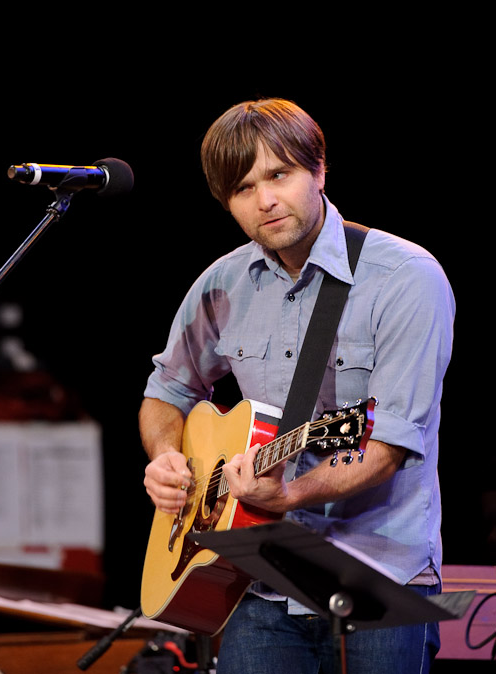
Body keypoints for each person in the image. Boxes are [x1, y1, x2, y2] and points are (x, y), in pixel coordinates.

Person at [139, 98, 455, 673]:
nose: (265, 200)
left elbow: (385, 445)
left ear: (319, 169)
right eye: (242, 188)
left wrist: (286, 497)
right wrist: (166, 460)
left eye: (279, 175)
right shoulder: (221, 283)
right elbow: (167, 389)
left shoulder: (405, 277)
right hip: (257, 578)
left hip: (376, 571)